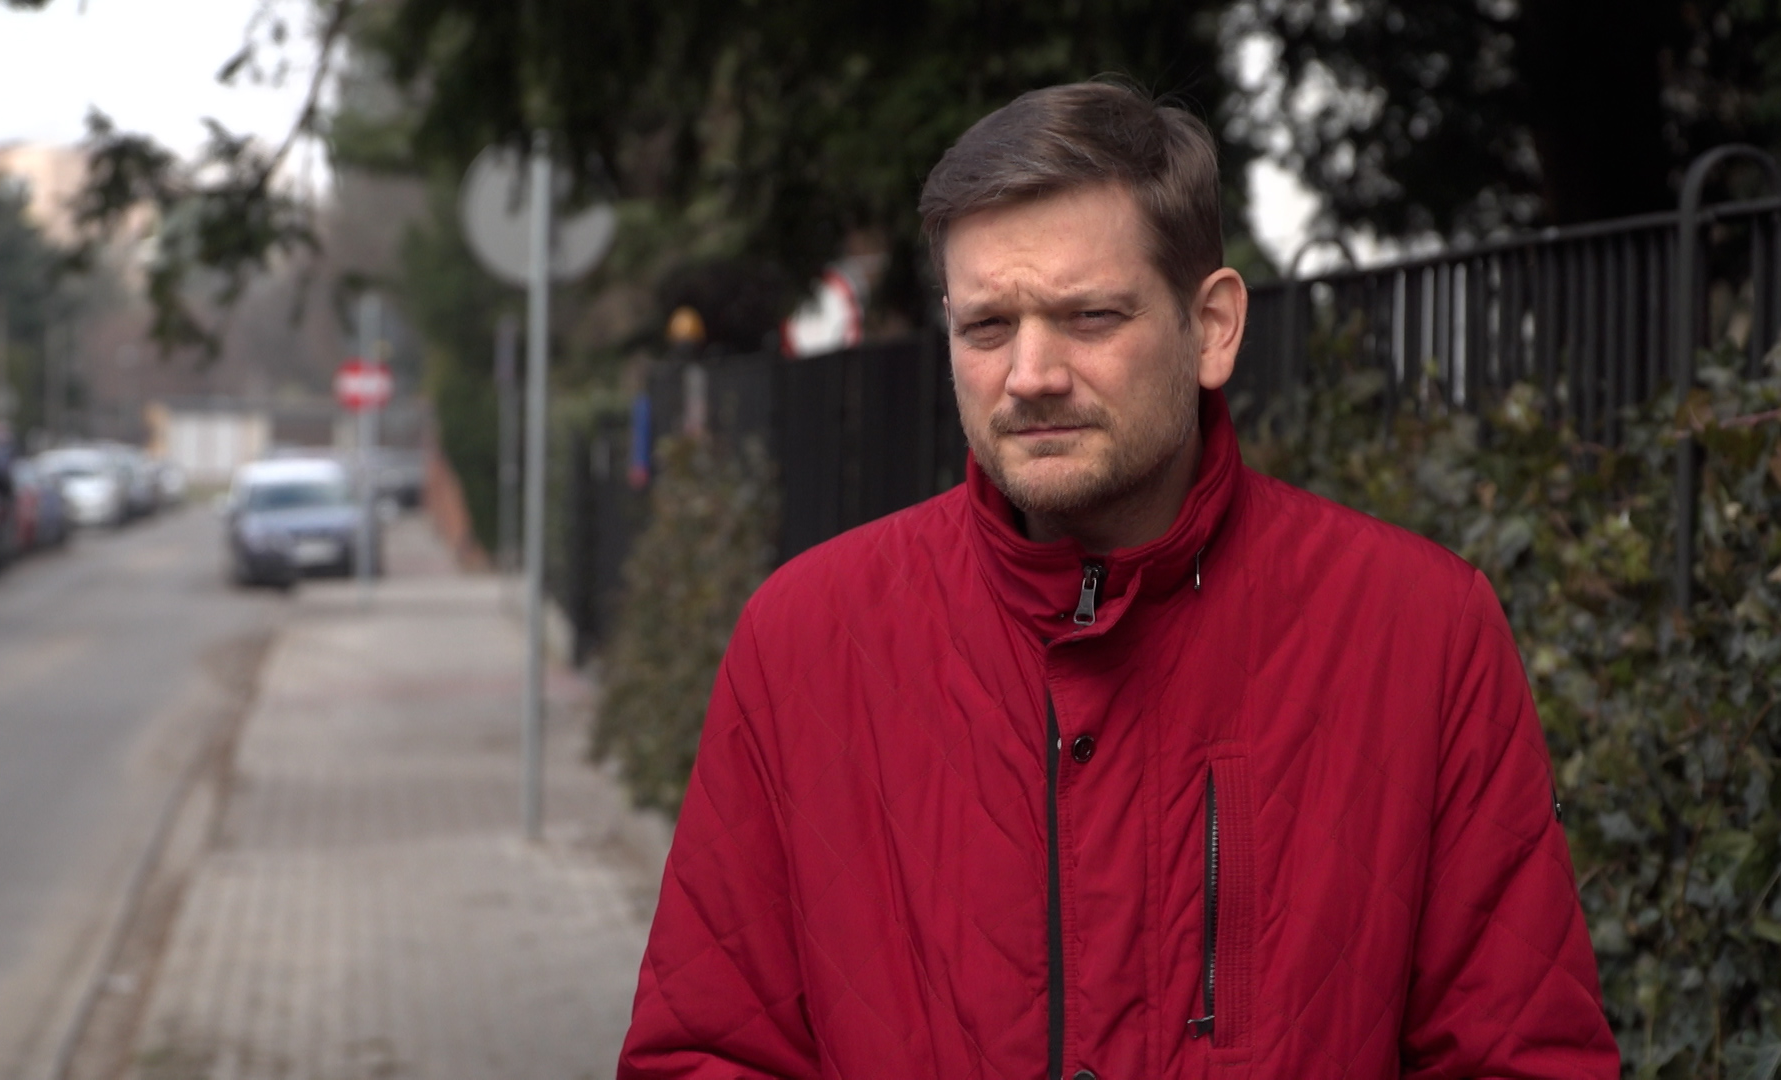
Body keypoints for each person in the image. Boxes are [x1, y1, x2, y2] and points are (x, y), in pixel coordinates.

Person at [619, 81, 1618, 1079]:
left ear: (1213, 326)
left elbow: (1522, 1056)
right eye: (987, 327)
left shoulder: (1420, 633)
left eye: (1089, 316)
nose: (1031, 373)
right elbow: (706, 1049)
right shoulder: (805, 641)